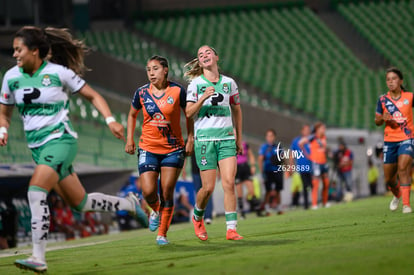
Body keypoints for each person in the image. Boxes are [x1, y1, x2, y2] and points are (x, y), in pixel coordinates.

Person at [0, 26, 148, 273]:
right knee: (80, 202)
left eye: (19, 49)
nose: (15, 54)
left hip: (61, 141)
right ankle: (129, 205)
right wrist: (3, 130)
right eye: (14, 50)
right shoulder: (11, 77)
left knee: (36, 190)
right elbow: (4, 113)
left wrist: (110, 119)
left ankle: (38, 258)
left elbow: (93, 96)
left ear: (34, 51)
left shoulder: (58, 73)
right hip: (37, 148)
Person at [125, 55, 194, 245]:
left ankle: (162, 234)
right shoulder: (141, 93)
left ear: (165, 70)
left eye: (155, 68)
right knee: (148, 191)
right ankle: (155, 210)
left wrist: (191, 138)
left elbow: (189, 115)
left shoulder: (178, 90)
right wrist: (129, 138)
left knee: (167, 191)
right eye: (148, 69)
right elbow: (132, 115)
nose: (151, 73)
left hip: (173, 149)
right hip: (148, 147)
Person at [185, 45, 243, 241]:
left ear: (216, 57)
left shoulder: (230, 83)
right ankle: (197, 216)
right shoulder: (195, 85)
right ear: (200, 63)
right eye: (200, 55)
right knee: (207, 188)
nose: (204, 56)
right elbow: (188, 113)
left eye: (208, 52)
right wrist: (203, 98)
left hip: (226, 138)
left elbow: (237, 110)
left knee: (228, 182)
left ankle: (231, 229)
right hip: (205, 141)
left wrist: (239, 137)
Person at [375, 67, 412, 213]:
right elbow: (377, 121)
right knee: (389, 178)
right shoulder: (382, 100)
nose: (391, 82)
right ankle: (397, 196)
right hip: (390, 141)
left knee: (403, 168)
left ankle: (407, 205)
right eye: (388, 79)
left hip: (407, 138)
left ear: (401, 81)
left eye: (394, 79)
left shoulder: (409, 97)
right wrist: (382, 119)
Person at [299, 122, 330, 209]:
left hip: (324, 162)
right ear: (318, 129)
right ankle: (314, 204)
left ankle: (325, 202)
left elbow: (323, 148)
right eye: (323, 128)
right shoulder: (312, 137)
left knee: (326, 183)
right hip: (316, 163)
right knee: (316, 184)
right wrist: (307, 155)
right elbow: (301, 143)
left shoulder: (324, 137)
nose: (324, 130)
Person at [258, 129, 285, 215]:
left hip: (277, 170)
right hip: (268, 171)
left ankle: (279, 208)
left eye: (271, 136)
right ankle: (267, 209)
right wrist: (262, 172)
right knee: (268, 190)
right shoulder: (264, 147)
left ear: (274, 137)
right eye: (268, 136)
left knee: (278, 190)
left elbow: (283, 158)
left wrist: (287, 168)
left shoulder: (278, 147)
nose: (269, 138)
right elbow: (260, 159)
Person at [290, 124, 312, 209]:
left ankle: (312, 203)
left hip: (312, 167)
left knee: (311, 185)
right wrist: (291, 166)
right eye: (305, 130)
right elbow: (292, 154)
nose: (307, 132)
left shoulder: (311, 140)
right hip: (302, 167)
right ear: (302, 131)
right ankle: (306, 205)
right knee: (305, 186)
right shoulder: (296, 141)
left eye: (308, 130)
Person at [236, 141, 259, 218]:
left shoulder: (245, 144)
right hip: (236, 169)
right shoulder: (230, 143)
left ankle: (257, 210)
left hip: (245, 168)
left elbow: (251, 155)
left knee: (251, 190)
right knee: (239, 192)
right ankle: (242, 213)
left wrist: (253, 166)